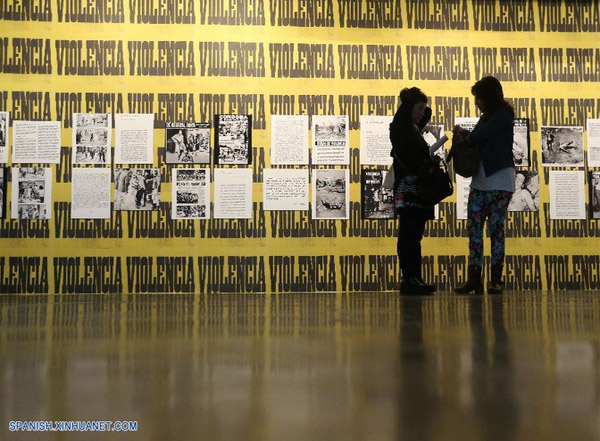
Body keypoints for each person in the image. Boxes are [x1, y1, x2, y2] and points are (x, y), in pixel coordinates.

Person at [453, 76, 515, 295]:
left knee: (495, 231)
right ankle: (476, 279)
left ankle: (495, 280)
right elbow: (480, 137)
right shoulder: (489, 116)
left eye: (478, 98)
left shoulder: (503, 115)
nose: (476, 102)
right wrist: (465, 135)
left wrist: (466, 139)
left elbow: (483, 136)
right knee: (475, 231)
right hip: (483, 181)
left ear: (487, 96)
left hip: (498, 181)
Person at [390, 87, 436, 295]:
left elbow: (427, 113)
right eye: (418, 108)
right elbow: (413, 156)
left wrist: (421, 107)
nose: (421, 113)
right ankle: (409, 278)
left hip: (415, 188)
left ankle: (414, 277)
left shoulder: (411, 127)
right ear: (408, 108)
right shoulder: (401, 129)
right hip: (409, 188)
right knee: (409, 235)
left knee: (414, 235)